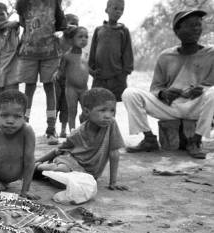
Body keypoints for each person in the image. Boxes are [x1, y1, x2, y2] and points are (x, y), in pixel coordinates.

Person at [122, 10, 213, 159]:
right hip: (170, 107)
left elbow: (212, 87)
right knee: (130, 93)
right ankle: (149, 138)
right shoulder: (165, 56)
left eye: (198, 25)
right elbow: (155, 88)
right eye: (191, 25)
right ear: (177, 31)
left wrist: (202, 89)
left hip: (198, 106)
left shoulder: (211, 54)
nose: (196, 29)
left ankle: (195, 140)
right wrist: (163, 93)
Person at [35, 88, 127, 190]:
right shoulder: (77, 133)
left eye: (112, 110)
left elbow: (114, 153)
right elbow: (58, 150)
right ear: (87, 111)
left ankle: (46, 174)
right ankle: (38, 168)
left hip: (88, 173)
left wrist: (113, 182)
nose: (108, 116)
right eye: (102, 110)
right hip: (70, 162)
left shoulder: (111, 125)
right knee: (62, 170)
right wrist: (35, 162)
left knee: (70, 185)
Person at [15, 0, 67, 145]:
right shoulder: (22, 3)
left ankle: (51, 130)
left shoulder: (54, 2)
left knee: (50, 88)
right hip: (28, 52)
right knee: (28, 89)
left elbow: (61, 24)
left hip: (50, 52)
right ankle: (22, 128)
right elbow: (23, 23)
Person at [88, 0, 133, 102]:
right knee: (96, 105)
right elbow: (92, 53)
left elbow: (128, 55)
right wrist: (92, 71)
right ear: (107, 9)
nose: (119, 12)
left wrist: (123, 75)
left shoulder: (123, 31)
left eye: (122, 9)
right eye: (115, 8)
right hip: (99, 78)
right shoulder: (98, 30)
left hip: (117, 79)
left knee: (111, 107)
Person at [58, 26, 90, 132]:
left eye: (86, 37)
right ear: (72, 40)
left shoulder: (86, 55)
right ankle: (72, 132)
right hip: (71, 88)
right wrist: (56, 75)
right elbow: (61, 71)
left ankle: (85, 131)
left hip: (84, 88)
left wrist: (96, 73)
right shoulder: (67, 56)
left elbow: (88, 69)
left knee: (87, 110)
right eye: (80, 37)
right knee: (72, 111)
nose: (83, 39)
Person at [55, 13, 79, 138]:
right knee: (54, 103)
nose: (73, 26)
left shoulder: (76, 42)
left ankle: (64, 129)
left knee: (67, 104)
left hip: (70, 79)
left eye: (76, 23)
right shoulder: (57, 39)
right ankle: (51, 128)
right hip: (56, 77)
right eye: (70, 23)